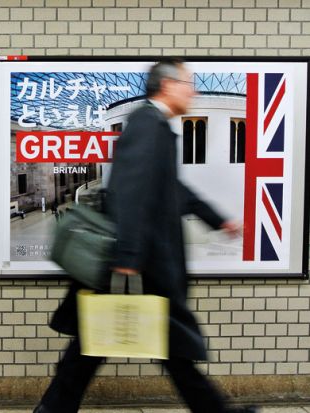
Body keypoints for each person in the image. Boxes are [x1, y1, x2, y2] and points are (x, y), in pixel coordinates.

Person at [34, 58, 258, 413]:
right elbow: (130, 192)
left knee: (105, 346)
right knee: (110, 346)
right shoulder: (146, 124)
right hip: (140, 264)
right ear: (168, 85)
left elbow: (173, 189)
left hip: (142, 263)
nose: (193, 91)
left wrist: (218, 220)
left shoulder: (156, 127)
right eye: (188, 83)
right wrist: (128, 258)